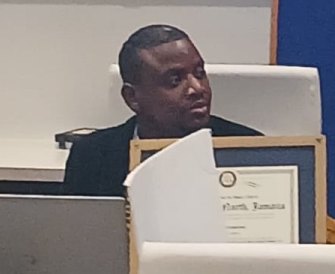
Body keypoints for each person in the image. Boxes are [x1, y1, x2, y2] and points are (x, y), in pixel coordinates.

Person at [63, 25, 260, 197]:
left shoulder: (251, 150)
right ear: (132, 97)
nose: (197, 88)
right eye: (175, 80)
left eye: (200, 74)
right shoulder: (92, 157)